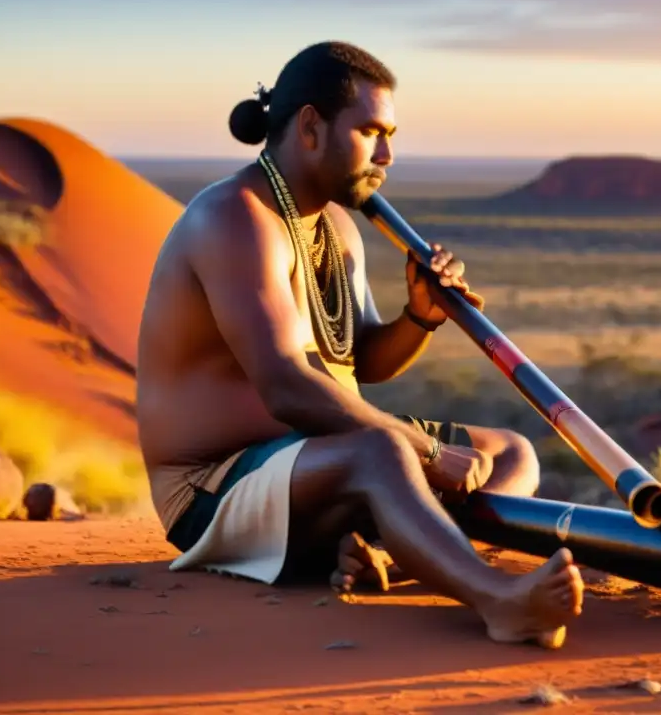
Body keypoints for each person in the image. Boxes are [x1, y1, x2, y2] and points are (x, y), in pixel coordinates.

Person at [135, 41, 583, 648]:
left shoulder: (338, 226)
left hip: (317, 461)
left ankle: (380, 554)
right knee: (382, 452)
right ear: (312, 127)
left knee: (510, 455)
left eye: (390, 134)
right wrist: (424, 450)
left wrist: (418, 318)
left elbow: (361, 361)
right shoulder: (234, 217)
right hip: (215, 489)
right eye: (371, 131)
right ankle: (497, 599)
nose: (388, 154)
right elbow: (287, 386)